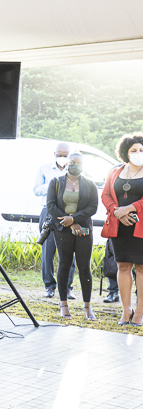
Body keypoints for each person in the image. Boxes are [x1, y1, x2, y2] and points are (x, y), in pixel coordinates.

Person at [46, 152, 98, 320]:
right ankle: (63, 304)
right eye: (72, 162)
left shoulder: (90, 184)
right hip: (62, 230)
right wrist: (69, 222)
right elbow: (51, 206)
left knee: (84, 267)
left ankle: (87, 307)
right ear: (66, 163)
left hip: (83, 230)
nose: (74, 165)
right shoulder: (55, 182)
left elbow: (93, 207)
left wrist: (74, 219)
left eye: (78, 162)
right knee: (64, 264)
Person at [101, 132, 143, 325]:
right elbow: (106, 195)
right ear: (126, 152)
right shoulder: (115, 172)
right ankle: (126, 311)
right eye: (134, 150)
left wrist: (130, 208)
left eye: (141, 150)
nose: (138, 153)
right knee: (123, 266)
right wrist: (117, 212)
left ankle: (139, 312)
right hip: (120, 227)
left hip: (140, 227)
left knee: (141, 268)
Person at [35, 143, 75, 299]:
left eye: (65, 155)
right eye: (60, 155)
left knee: (69, 252)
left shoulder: (74, 169)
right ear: (54, 154)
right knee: (48, 251)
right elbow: (36, 190)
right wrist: (52, 185)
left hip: (68, 213)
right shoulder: (44, 168)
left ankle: (67, 288)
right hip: (49, 212)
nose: (62, 158)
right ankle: (49, 286)